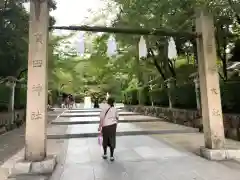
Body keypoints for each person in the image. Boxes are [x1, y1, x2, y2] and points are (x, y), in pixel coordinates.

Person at [98, 97, 118, 161]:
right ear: (113, 102)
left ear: (107, 102)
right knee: (112, 140)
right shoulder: (115, 109)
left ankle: (105, 154)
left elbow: (101, 118)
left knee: (105, 139)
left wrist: (99, 126)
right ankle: (112, 156)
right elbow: (117, 118)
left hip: (105, 126)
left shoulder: (104, 108)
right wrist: (115, 124)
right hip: (113, 126)